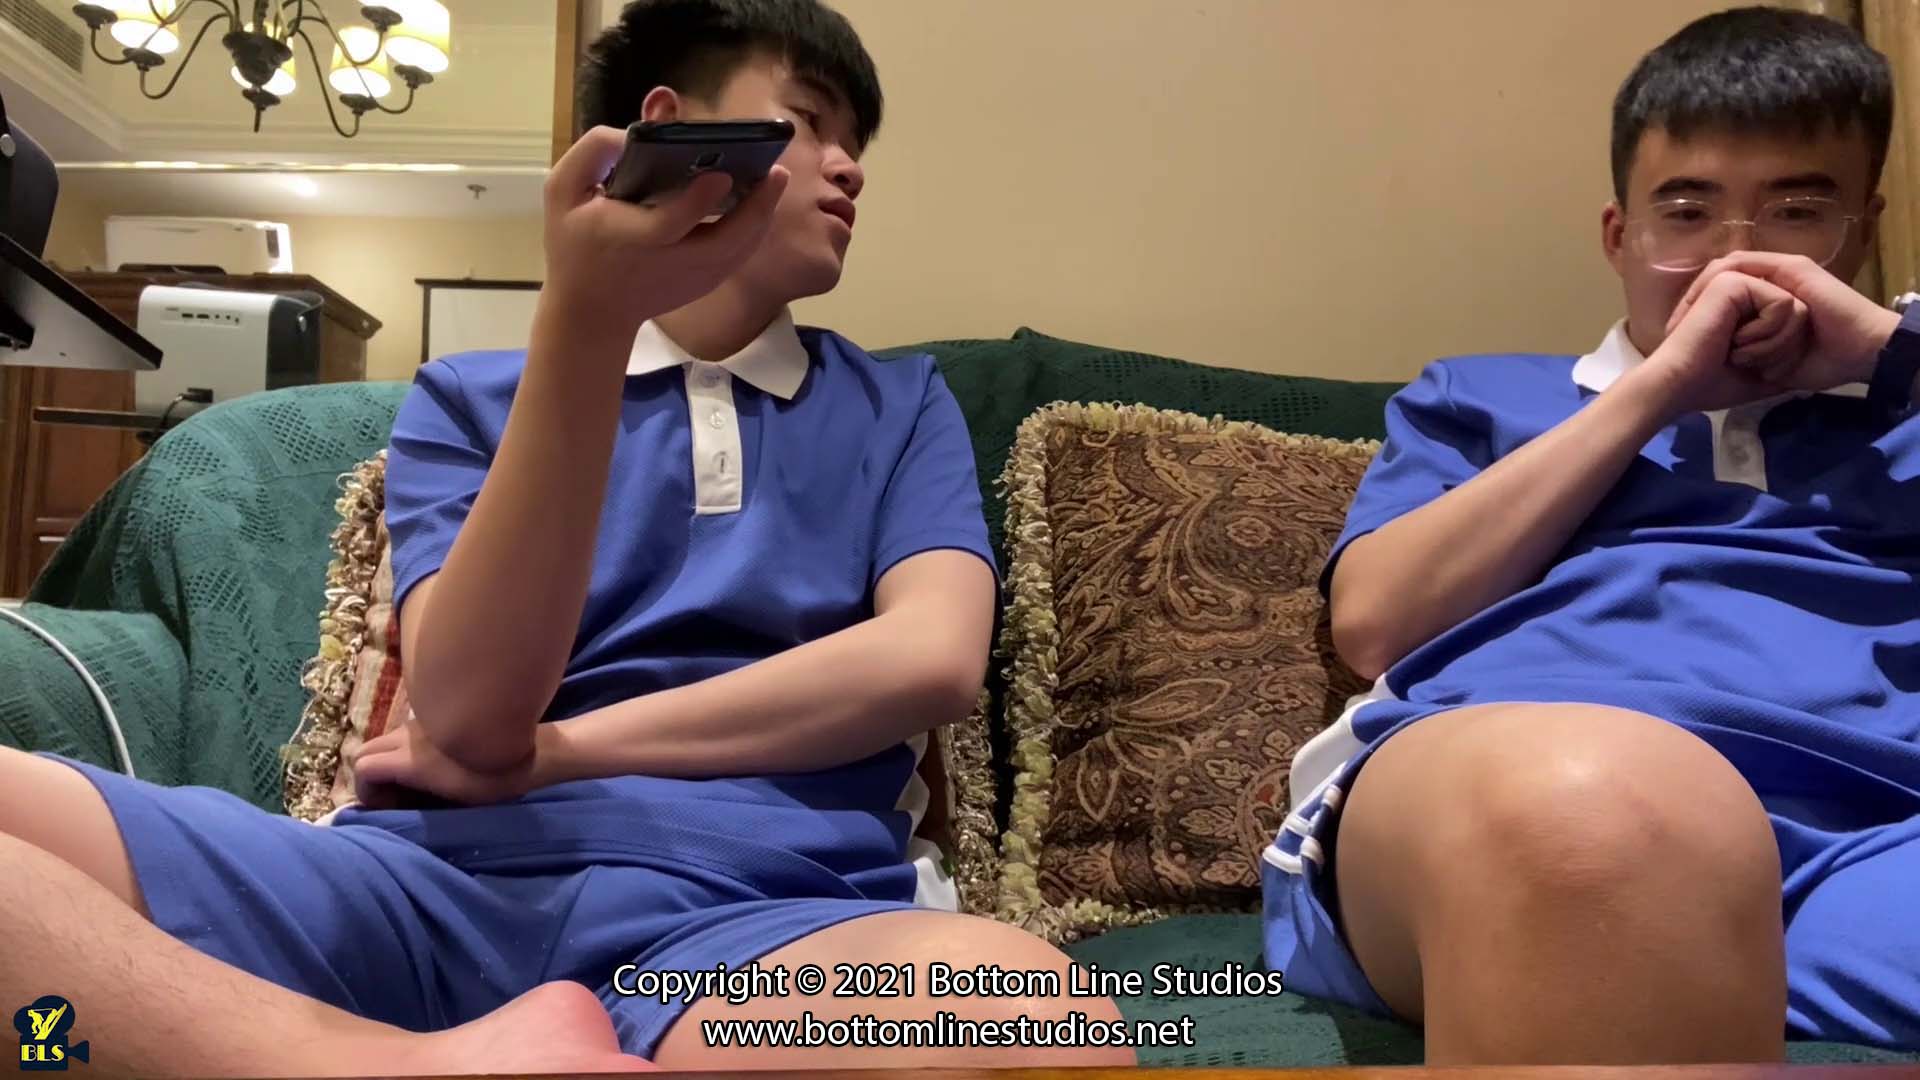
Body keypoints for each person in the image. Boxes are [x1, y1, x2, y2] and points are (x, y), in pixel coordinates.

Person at [0, 1, 1134, 1073]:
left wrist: (563, 753)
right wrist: (587, 319)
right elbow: (471, 715)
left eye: (859, 142)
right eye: (808, 122)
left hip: (763, 916)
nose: (850, 166)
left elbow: (929, 661)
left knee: (1031, 1019)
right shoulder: (467, 401)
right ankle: (394, 1063)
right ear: (670, 129)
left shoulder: (899, 404)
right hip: (419, 884)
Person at [1261, 5, 1920, 1065]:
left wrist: (1895, 355)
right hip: (1530, 792)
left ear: (1866, 229)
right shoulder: (1481, 399)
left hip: (1874, 836)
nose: (1737, 261)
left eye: (1799, 212)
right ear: (1621, 235)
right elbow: (1375, 623)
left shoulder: (1906, 413)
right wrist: (1657, 391)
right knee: (1596, 813)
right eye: (1687, 212)